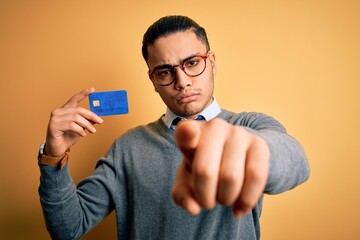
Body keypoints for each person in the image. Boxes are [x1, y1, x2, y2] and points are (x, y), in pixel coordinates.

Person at [38, 15, 310, 240]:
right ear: (153, 81)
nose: (182, 81)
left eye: (192, 63)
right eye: (165, 72)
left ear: (212, 63)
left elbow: (296, 164)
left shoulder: (249, 126)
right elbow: (68, 228)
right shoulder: (127, 148)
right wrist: (53, 156)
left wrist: (245, 147)